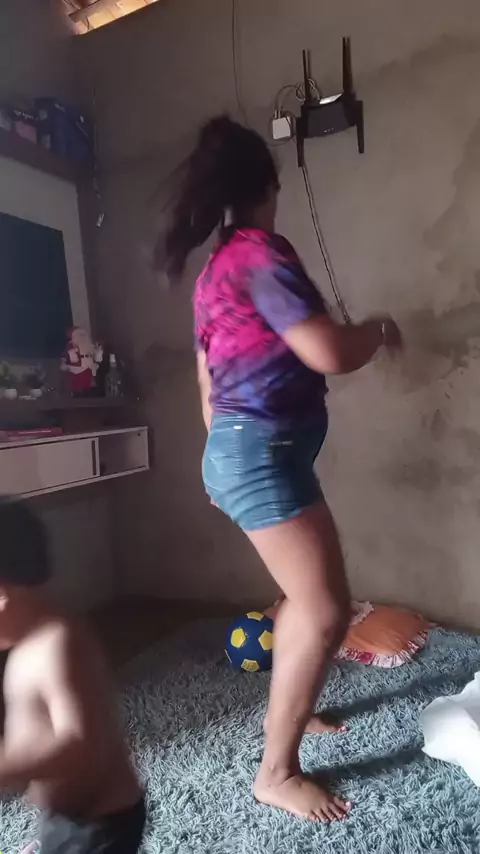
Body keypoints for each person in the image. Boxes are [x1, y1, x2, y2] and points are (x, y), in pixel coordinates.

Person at [157, 115, 403, 822]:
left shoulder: (216, 271)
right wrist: (376, 331)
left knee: (307, 599)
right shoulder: (260, 255)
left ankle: (295, 710)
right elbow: (327, 351)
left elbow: (207, 382)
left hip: (250, 452)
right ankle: (276, 772)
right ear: (269, 187)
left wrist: (219, 459)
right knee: (324, 608)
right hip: (260, 455)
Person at [0, 499, 145, 853]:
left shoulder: (58, 644)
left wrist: (6, 767)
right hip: (67, 815)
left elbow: (80, 745)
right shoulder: (25, 645)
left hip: (100, 823)